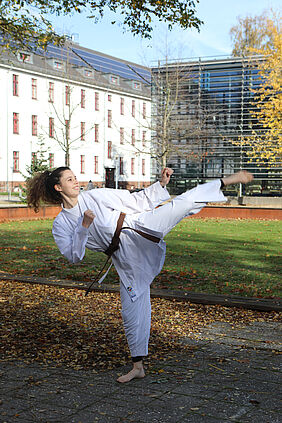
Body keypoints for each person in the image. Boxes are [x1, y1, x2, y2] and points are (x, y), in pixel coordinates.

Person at [27, 167, 253, 383]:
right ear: (58, 188)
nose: (76, 181)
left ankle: (229, 180)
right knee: (132, 309)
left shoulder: (96, 196)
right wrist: (83, 226)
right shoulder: (61, 224)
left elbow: (134, 200)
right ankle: (138, 367)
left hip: (140, 227)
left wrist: (161, 184)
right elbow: (74, 256)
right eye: (69, 179)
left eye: (75, 177)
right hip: (125, 258)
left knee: (182, 203)